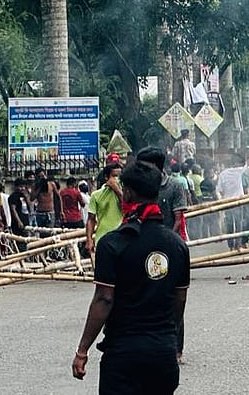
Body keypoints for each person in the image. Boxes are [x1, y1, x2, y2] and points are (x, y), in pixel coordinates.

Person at [72, 160, 190, 392]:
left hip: (123, 353)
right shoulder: (177, 245)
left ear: (126, 193)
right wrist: (167, 337)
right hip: (163, 353)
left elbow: (104, 299)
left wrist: (83, 349)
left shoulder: (112, 244)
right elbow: (180, 300)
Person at [86, 163, 124, 257]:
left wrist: (117, 191)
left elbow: (127, 209)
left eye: (119, 176)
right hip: (102, 239)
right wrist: (89, 239)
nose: (117, 179)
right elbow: (91, 219)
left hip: (122, 238)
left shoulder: (126, 193)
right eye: (114, 176)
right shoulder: (96, 195)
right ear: (106, 177)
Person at [217, 152, 249, 250]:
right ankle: (238, 244)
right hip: (238, 201)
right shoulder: (239, 171)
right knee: (239, 222)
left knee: (230, 224)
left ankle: (231, 245)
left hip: (227, 202)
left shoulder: (222, 174)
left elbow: (220, 190)